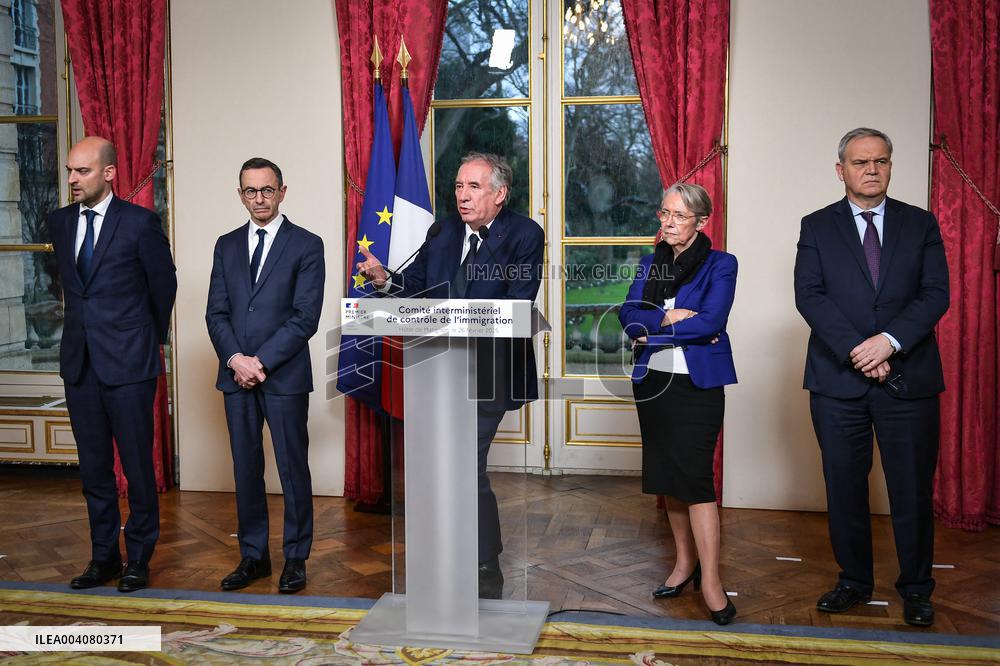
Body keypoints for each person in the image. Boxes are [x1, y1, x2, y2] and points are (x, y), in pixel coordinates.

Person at [357, 152, 544, 599]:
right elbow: (415, 290)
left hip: (490, 369)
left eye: (473, 187)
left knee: (463, 461)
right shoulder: (440, 232)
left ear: (499, 194)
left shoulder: (523, 234)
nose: (462, 195)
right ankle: (462, 555)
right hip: (436, 369)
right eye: (459, 186)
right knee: (447, 465)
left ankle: (481, 561)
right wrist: (383, 280)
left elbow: (519, 302)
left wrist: (457, 313)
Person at [794, 128, 949, 627]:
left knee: (911, 491)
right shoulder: (816, 226)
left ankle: (917, 589)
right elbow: (810, 296)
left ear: (889, 166)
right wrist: (862, 351)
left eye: (880, 161)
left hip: (910, 378)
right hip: (838, 383)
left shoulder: (920, 224)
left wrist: (891, 342)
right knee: (844, 489)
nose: (872, 170)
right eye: (861, 162)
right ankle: (854, 582)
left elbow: (934, 293)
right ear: (841, 170)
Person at [49, 136, 177, 593]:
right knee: (94, 469)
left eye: (81, 171)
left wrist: (143, 341)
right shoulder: (59, 222)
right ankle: (103, 557)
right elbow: (68, 287)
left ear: (108, 173)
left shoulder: (141, 223)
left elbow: (164, 290)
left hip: (130, 365)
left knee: (138, 469)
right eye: (69, 170)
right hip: (79, 365)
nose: (71, 179)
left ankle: (138, 558)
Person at [619, 182, 738, 625]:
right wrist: (666, 317)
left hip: (697, 385)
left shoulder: (722, 265)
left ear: (701, 221)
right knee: (668, 477)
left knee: (696, 481)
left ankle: (711, 580)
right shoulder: (649, 263)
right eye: (664, 213)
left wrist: (651, 328)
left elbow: (712, 321)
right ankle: (683, 565)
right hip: (653, 383)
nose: (667, 222)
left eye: (679, 216)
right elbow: (628, 314)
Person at [206, 158, 325, 594]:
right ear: (241, 195)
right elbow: (215, 312)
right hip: (235, 375)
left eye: (267, 190)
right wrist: (237, 359)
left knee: (293, 469)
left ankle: (296, 558)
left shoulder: (307, 245)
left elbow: (304, 317)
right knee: (246, 468)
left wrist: (261, 363)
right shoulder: (226, 244)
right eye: (250, 191)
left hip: (284, 375)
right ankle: (253, 556)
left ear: (282, 192)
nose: (259, 198)